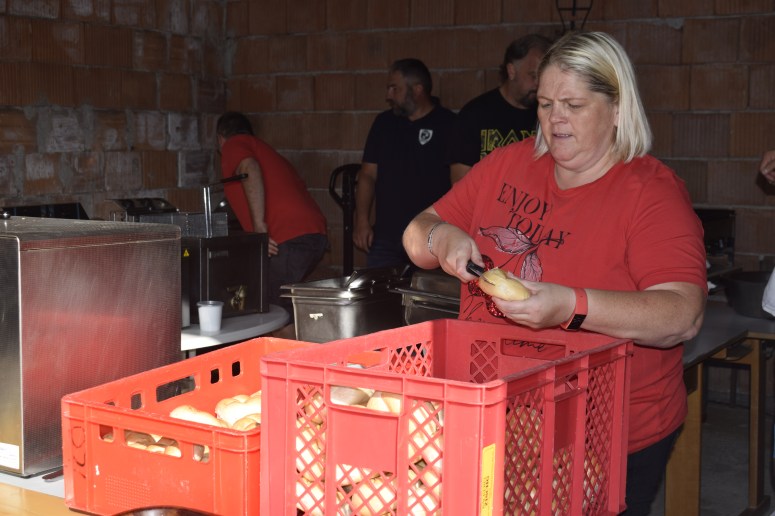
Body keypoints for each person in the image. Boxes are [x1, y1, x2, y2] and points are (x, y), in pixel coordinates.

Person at [402, 31, 707, 515]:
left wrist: (571, 306)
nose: (554, 118)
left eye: (573, 105)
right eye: (545, 104)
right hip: (497, 413)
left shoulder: (651, 193)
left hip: (605, 431)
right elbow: (417, 232)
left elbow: (681, 315)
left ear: (617, 109)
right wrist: (443, 238)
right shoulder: (508, 164)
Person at [353, 58, 468, 269]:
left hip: (430, 238)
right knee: (379, 289)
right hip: (386, 238)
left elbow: (460, 182)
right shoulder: (384, 123)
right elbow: (367, 175)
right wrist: (361, 220)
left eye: (394, 88)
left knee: (427, 290)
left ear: (417, 90)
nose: (388, 95)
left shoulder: (450, 124)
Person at [216, 111, 328, 321]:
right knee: (280, 309)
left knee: (271, 312)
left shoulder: (234, 144)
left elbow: (249, 168)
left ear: (220, 138)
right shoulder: (265, 151)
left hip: (288, 238)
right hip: (309, 235)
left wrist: (259, 229)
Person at [458, 33, 553, 167]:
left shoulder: (551, 115)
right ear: (511, 71)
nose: (538, 83)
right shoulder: (475, 114)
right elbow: (461, 176)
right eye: (533, 76)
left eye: (543, 77)